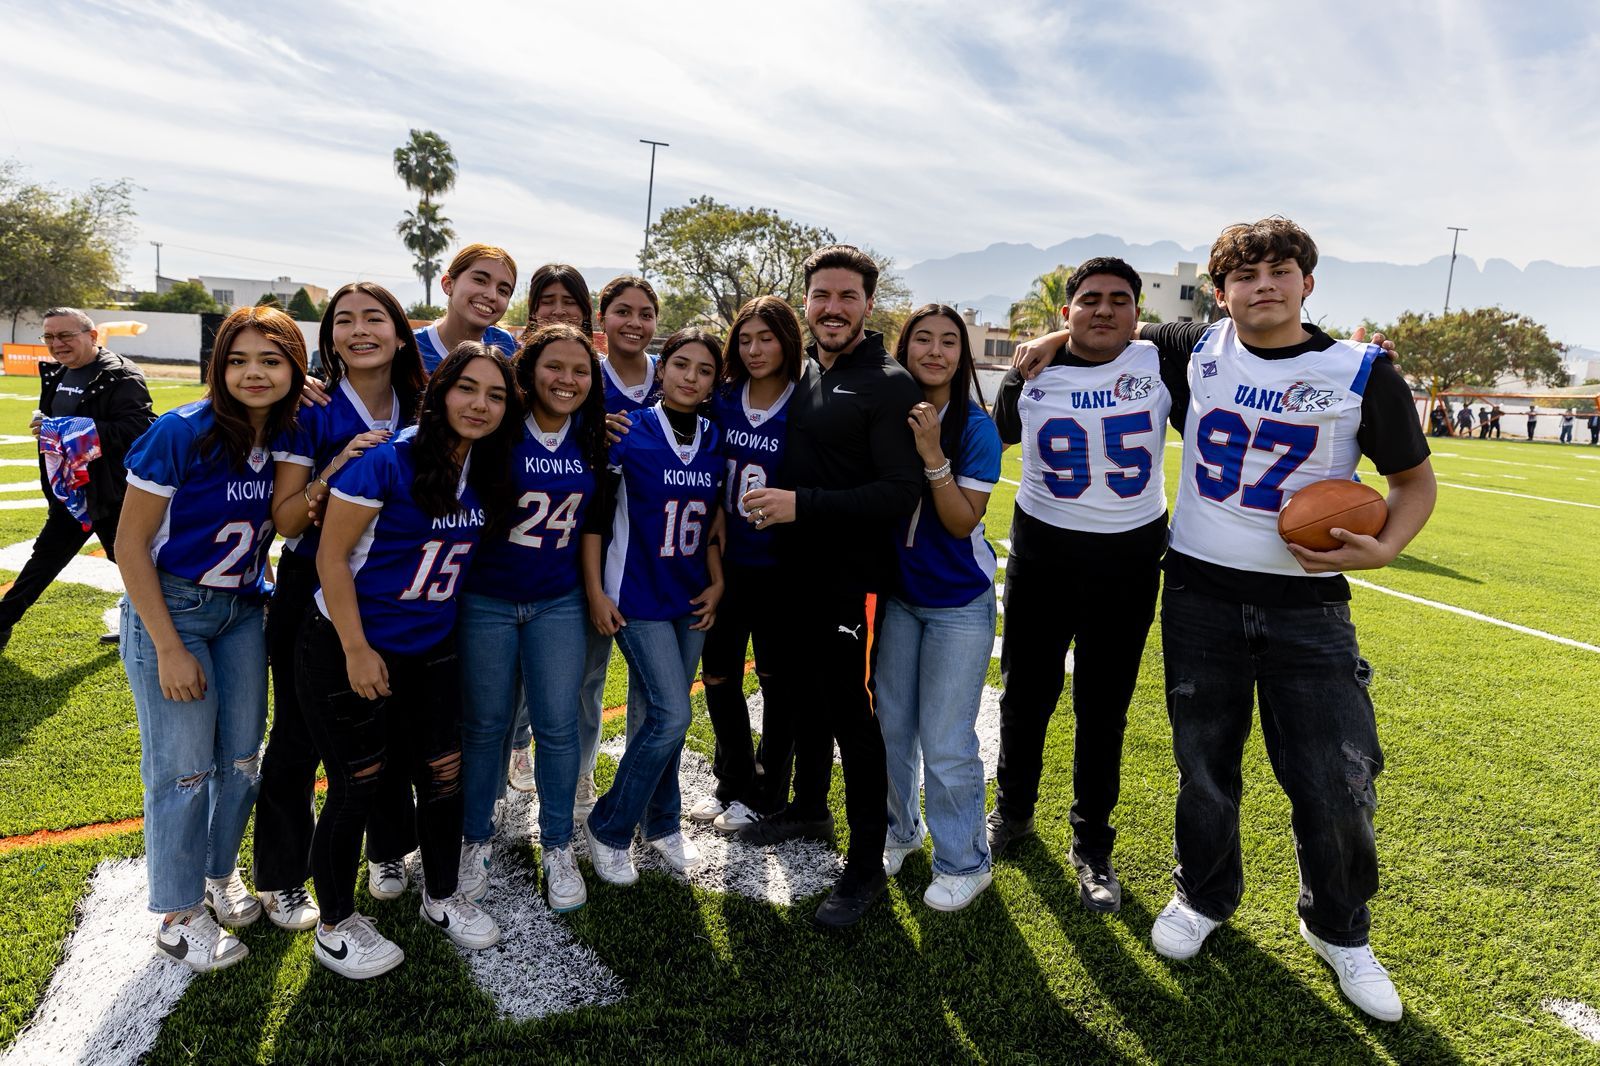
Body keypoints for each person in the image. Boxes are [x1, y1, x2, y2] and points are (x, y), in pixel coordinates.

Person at [1141, 218, 1435, 1024]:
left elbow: (1413, 480)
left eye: (1279, 271)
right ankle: (1201, 896)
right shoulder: (1195, 348)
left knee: (1337, 780)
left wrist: (1385, 550)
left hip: (1308, 611)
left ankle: (1338, 928)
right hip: (1199, 593)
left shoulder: (1360, 370)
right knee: (1204, 767)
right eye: (1244, 275)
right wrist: (1045, 341)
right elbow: (1114, 324)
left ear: (1308, 282)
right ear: (1221, 289)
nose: (1261, 285)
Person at [298, 343, 519, 979]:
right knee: (357, 784)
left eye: (497, 395)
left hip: (432, 647)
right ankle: (335, 924)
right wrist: (357, 648)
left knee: (445, 775)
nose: (480, 404)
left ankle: (442, 895)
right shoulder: (388, 459)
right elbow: (331, 558)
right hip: (352, 643)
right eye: (468, 388)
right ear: (441, 389)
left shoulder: (488, 466)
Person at [739, 244, 924, 929]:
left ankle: (866, 868)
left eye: (848, 297)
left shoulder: (887, 382)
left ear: (868, 305)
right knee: (800, 701)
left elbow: (900, 492)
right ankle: (810, 809)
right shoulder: (810, 371)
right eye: (822, 296)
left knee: (853, 716)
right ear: (806, 301)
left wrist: (801, 505)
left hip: (852, 583)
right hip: (791, 574)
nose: (833, 308)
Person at [116, 305, 306, 971]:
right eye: (238, 359)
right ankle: (176, 913)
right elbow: (130, 544)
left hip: (243, 612)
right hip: (175, 610)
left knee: (243, 758)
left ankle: (217, 871)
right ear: (217, 366)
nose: (253, 373)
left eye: (271, 360)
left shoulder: (284, 432)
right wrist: (167, 645)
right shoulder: (181, 431)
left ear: (294, 369)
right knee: (184, 770)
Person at [989, 258, 1178, 916]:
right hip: (1041, 559)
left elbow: (1220, 334)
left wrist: (1062, 336)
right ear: (1066, 311)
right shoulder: (1031, 373)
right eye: (1089, 300)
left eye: (1118, 301)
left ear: (1137, 313)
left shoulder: (1163, 361)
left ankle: (1092, 845)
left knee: (1104, 711)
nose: (1104, 310)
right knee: (1025, 696)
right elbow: (990, 443)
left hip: (1127, 567)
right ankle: (1011, 813)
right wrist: (1042, 348)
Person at [252, 283, 426, 930]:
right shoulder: (312, 411)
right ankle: (282, 874)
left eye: (374, 318)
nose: (359, 330)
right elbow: (289, 522)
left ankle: (387, 849)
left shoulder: (425, 404)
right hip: (311, 590)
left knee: (392, 729)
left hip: (394, 587)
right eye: (344, 320)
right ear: (327, 339)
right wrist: (335, 469)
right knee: (297, 737)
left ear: (401, 334)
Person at [457, 324, 606, 912]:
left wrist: (592, 591)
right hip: (487, 598)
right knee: (487, 727)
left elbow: (594, 521)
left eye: (580, 370)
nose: (566, 380)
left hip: (557, 599)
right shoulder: (496, 429)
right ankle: (474, 841)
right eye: (554, 367)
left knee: (558, 725)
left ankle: (558, 845)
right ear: (528, 370)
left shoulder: (594, 435)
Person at [582, 328, 725, 884]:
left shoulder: (716, 439)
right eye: (681, 365)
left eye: (704, 370)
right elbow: (596, 518)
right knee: (672, 714)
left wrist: (716, 581)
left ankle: (662, 822)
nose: (691, 377)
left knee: (651, 713)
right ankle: (611, 826)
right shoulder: (628, 430)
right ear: (660, 370)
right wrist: (596, 590)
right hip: (635, 593)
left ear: (715, 382)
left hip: (690, 593)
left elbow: (713, 519)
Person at [876, 304, 1001, 912]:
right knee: (892, 727)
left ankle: (965, 861)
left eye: (948, 341)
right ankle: (901, 830)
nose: (934, 351)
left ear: (963, 353)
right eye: (921, 339)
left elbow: (958, 523)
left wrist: (932, 452)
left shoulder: (974, 426)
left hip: (957, 602)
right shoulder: (885, 411)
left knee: (947, 738)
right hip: (901, 598)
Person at [693, 296, 806, 834]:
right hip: (723, 562)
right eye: (745, 339)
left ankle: (768, 790)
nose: (756, 349)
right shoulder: (722, 398)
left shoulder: (805, 401)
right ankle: (733, 778)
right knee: (717, 674)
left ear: (788, 340)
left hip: (781, 568)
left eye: (767, 337)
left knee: (777, 681)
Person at [0, 308, 154, 652]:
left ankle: (160, 628)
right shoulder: (57, 373)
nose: (57, 344)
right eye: (49, 336)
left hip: (111, 494)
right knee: (45, 559)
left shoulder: (120, 376)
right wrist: (50, 427)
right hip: (71, 491)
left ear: (92, 336)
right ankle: (2, 622)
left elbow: (141, 429)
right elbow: (59, 422)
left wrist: (74, 429)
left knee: (135, 563)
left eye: (66, 335)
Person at [504, 262, 596, 795]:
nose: (559, 310)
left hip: (572, 564)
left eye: (571, 301)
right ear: (532, 308)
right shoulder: (510, 376)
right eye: (548, 300)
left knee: (580, 678)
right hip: (500, 571)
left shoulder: (591, 381)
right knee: (497, 695)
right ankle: (515, 753)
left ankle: (577, 772)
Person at [414, 244, 519, 373]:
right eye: (480, 280)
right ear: (448, 284)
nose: (492, 296)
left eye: (503, 291)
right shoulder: (412, 348)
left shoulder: (508, 345)